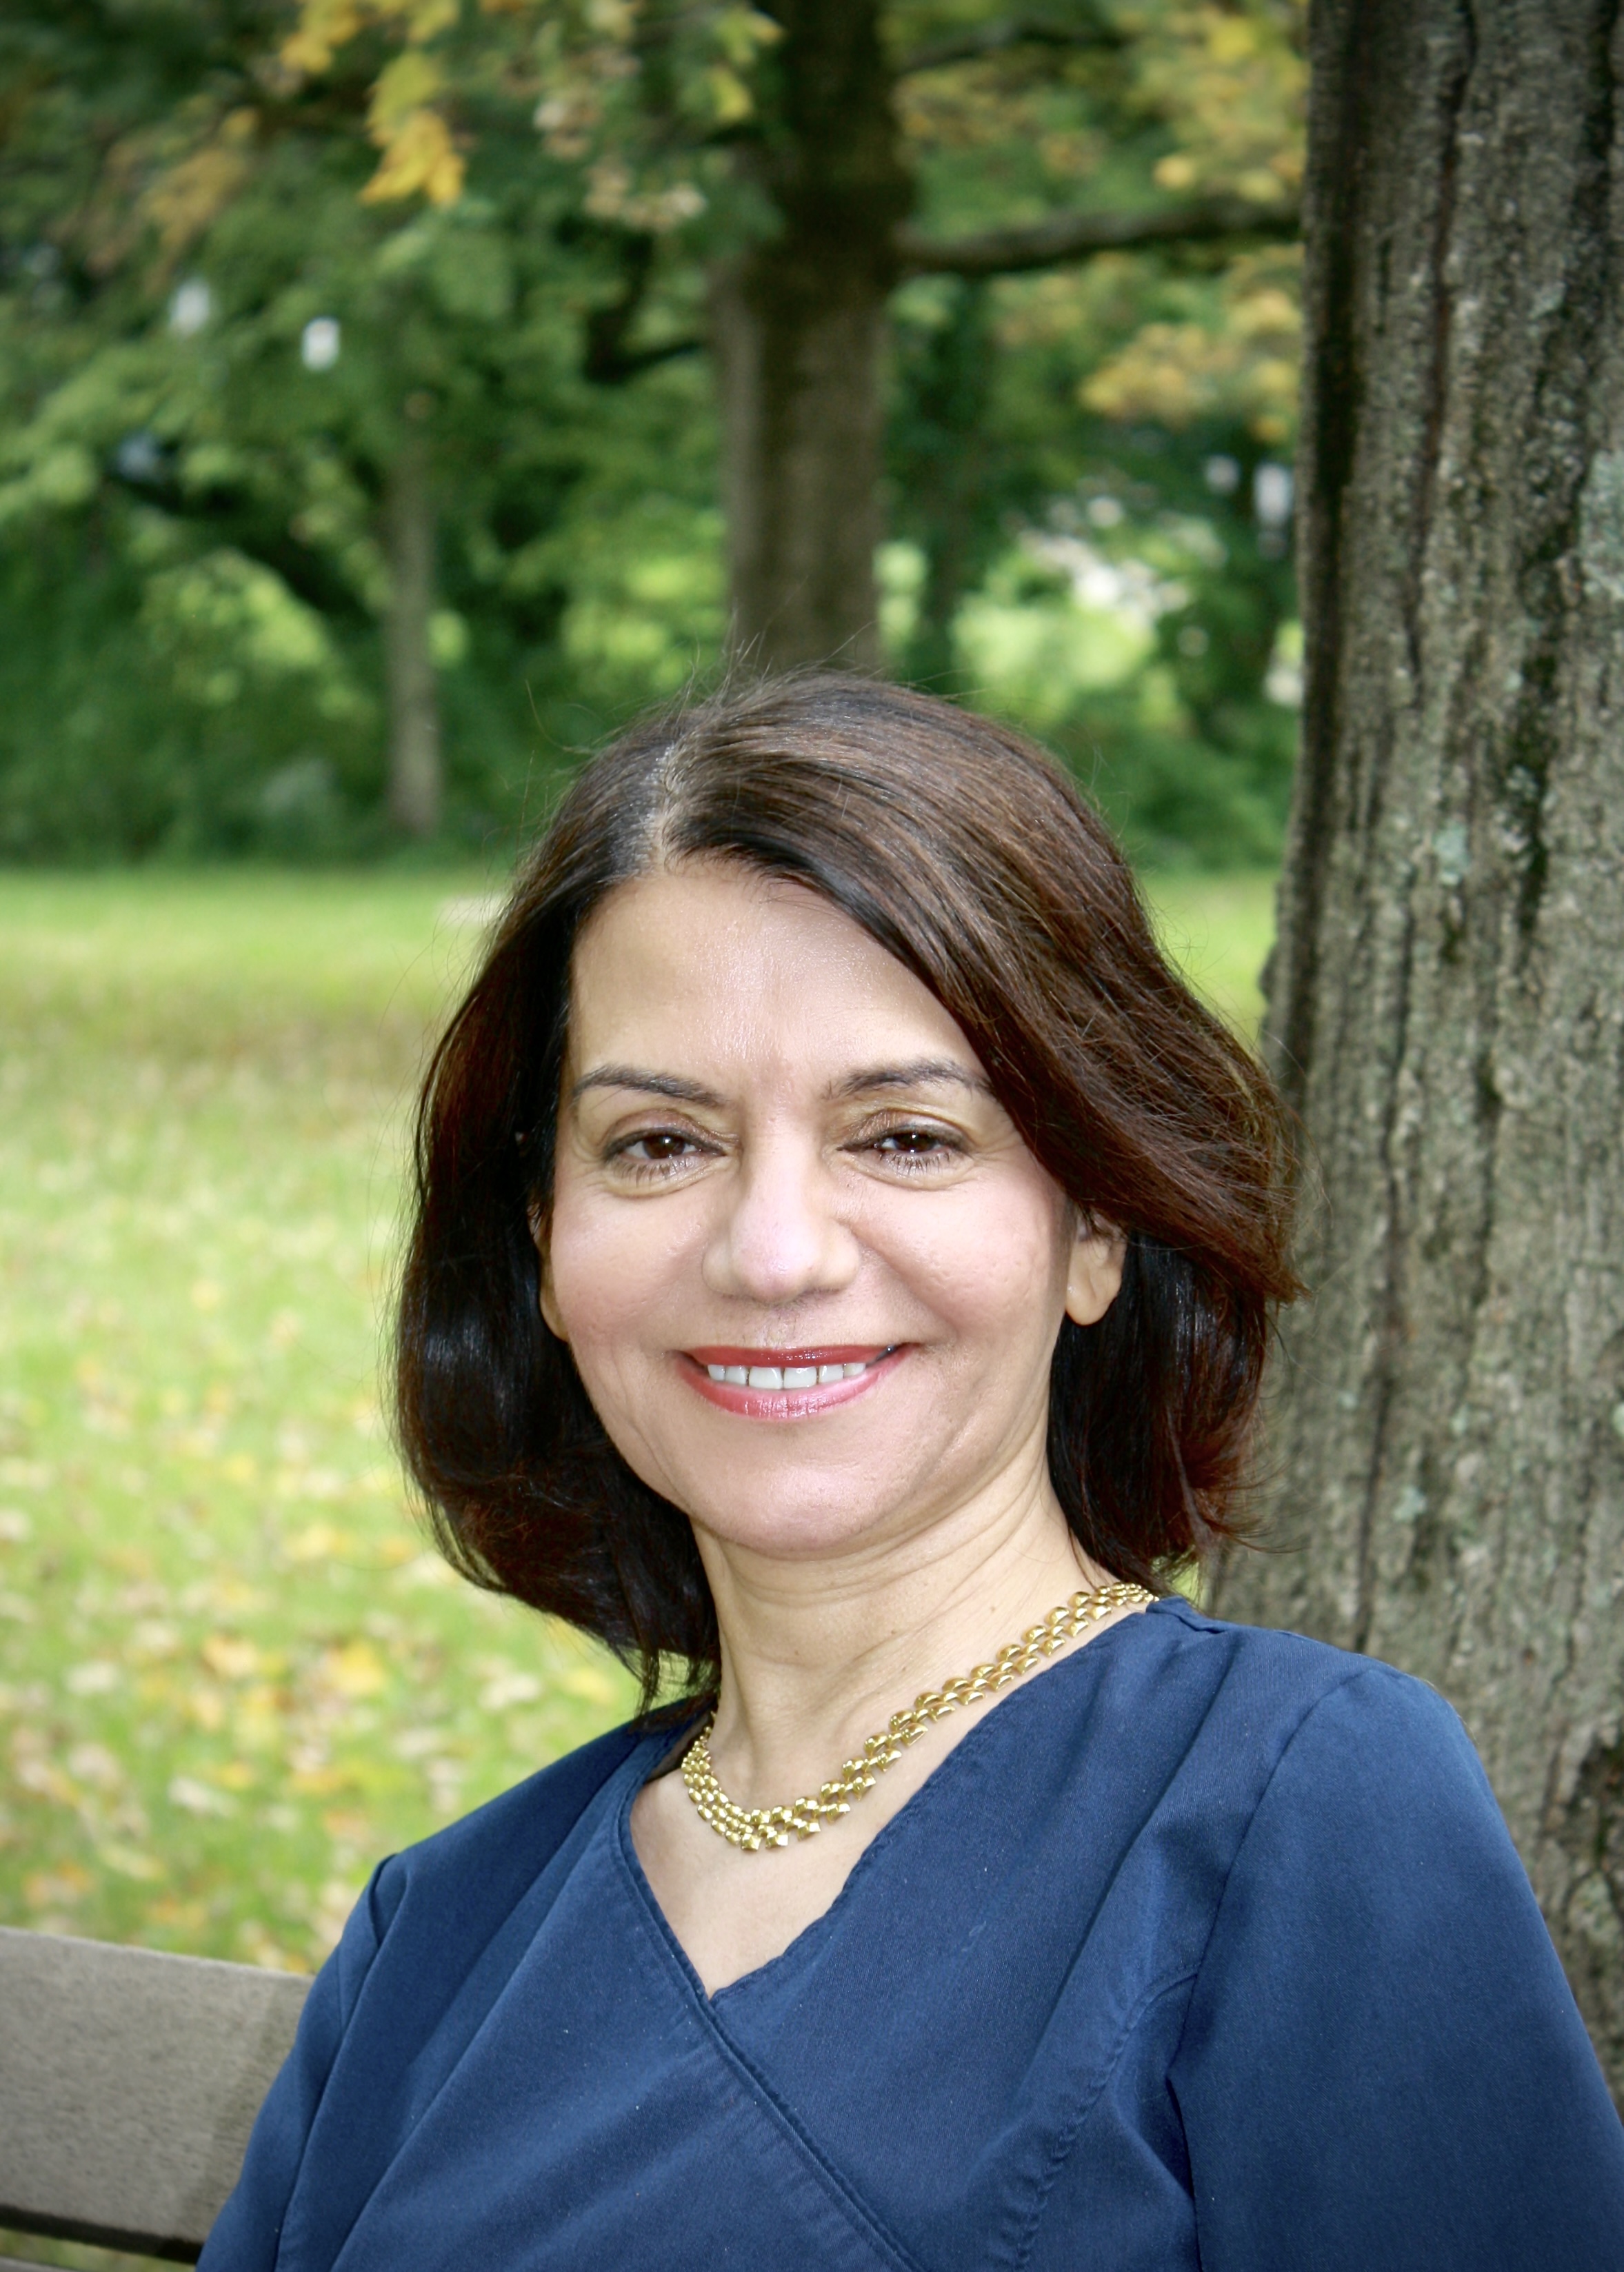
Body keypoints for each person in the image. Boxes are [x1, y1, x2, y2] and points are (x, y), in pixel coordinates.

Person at [200, 674, 1624, 2271]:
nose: (773, 1253)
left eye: (903, 1136)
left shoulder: (1299, 1806)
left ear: (1093, 1224)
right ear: (543, 1239)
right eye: (659, 1143)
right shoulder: (442, 1936)